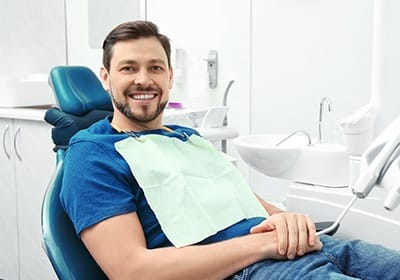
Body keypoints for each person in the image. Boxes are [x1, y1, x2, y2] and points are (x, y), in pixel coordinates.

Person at [60, 20, 400, 280]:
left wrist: (289, 221)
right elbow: (131, 270)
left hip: (306, 250)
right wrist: (263, 245)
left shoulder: (187, 137)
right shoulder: (92, 154)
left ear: (169, 77)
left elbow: (246, 201)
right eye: (128, 68)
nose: (143, 79)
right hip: (245, 271)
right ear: (105, 77)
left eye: (155, 67)